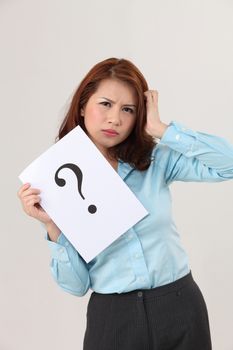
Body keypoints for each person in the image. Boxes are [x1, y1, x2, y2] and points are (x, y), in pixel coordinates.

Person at [17, 57, 233, 350]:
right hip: (113, 318)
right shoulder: (57, 180)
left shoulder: (155, 161)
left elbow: (228, 164)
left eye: (128, 110)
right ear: (82, 106)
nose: (115, 119)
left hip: (179, 306)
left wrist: (163, 129)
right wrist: (51, 224)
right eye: (105, 104)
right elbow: (76, 285)